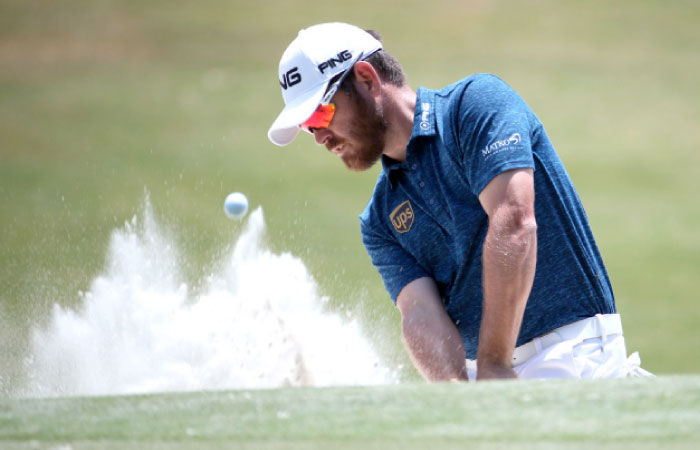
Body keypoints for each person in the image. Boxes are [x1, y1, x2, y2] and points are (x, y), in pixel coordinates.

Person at [267, 22, 651, 381]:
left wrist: (493, 366)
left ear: (367, 79)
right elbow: (419, 313)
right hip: (485, 378)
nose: (319, 137)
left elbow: (514, 222)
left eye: (321, 113)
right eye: (307, 127)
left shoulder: (475, 106)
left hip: (575, 354)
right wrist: (459, 396)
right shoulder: (380, 220)